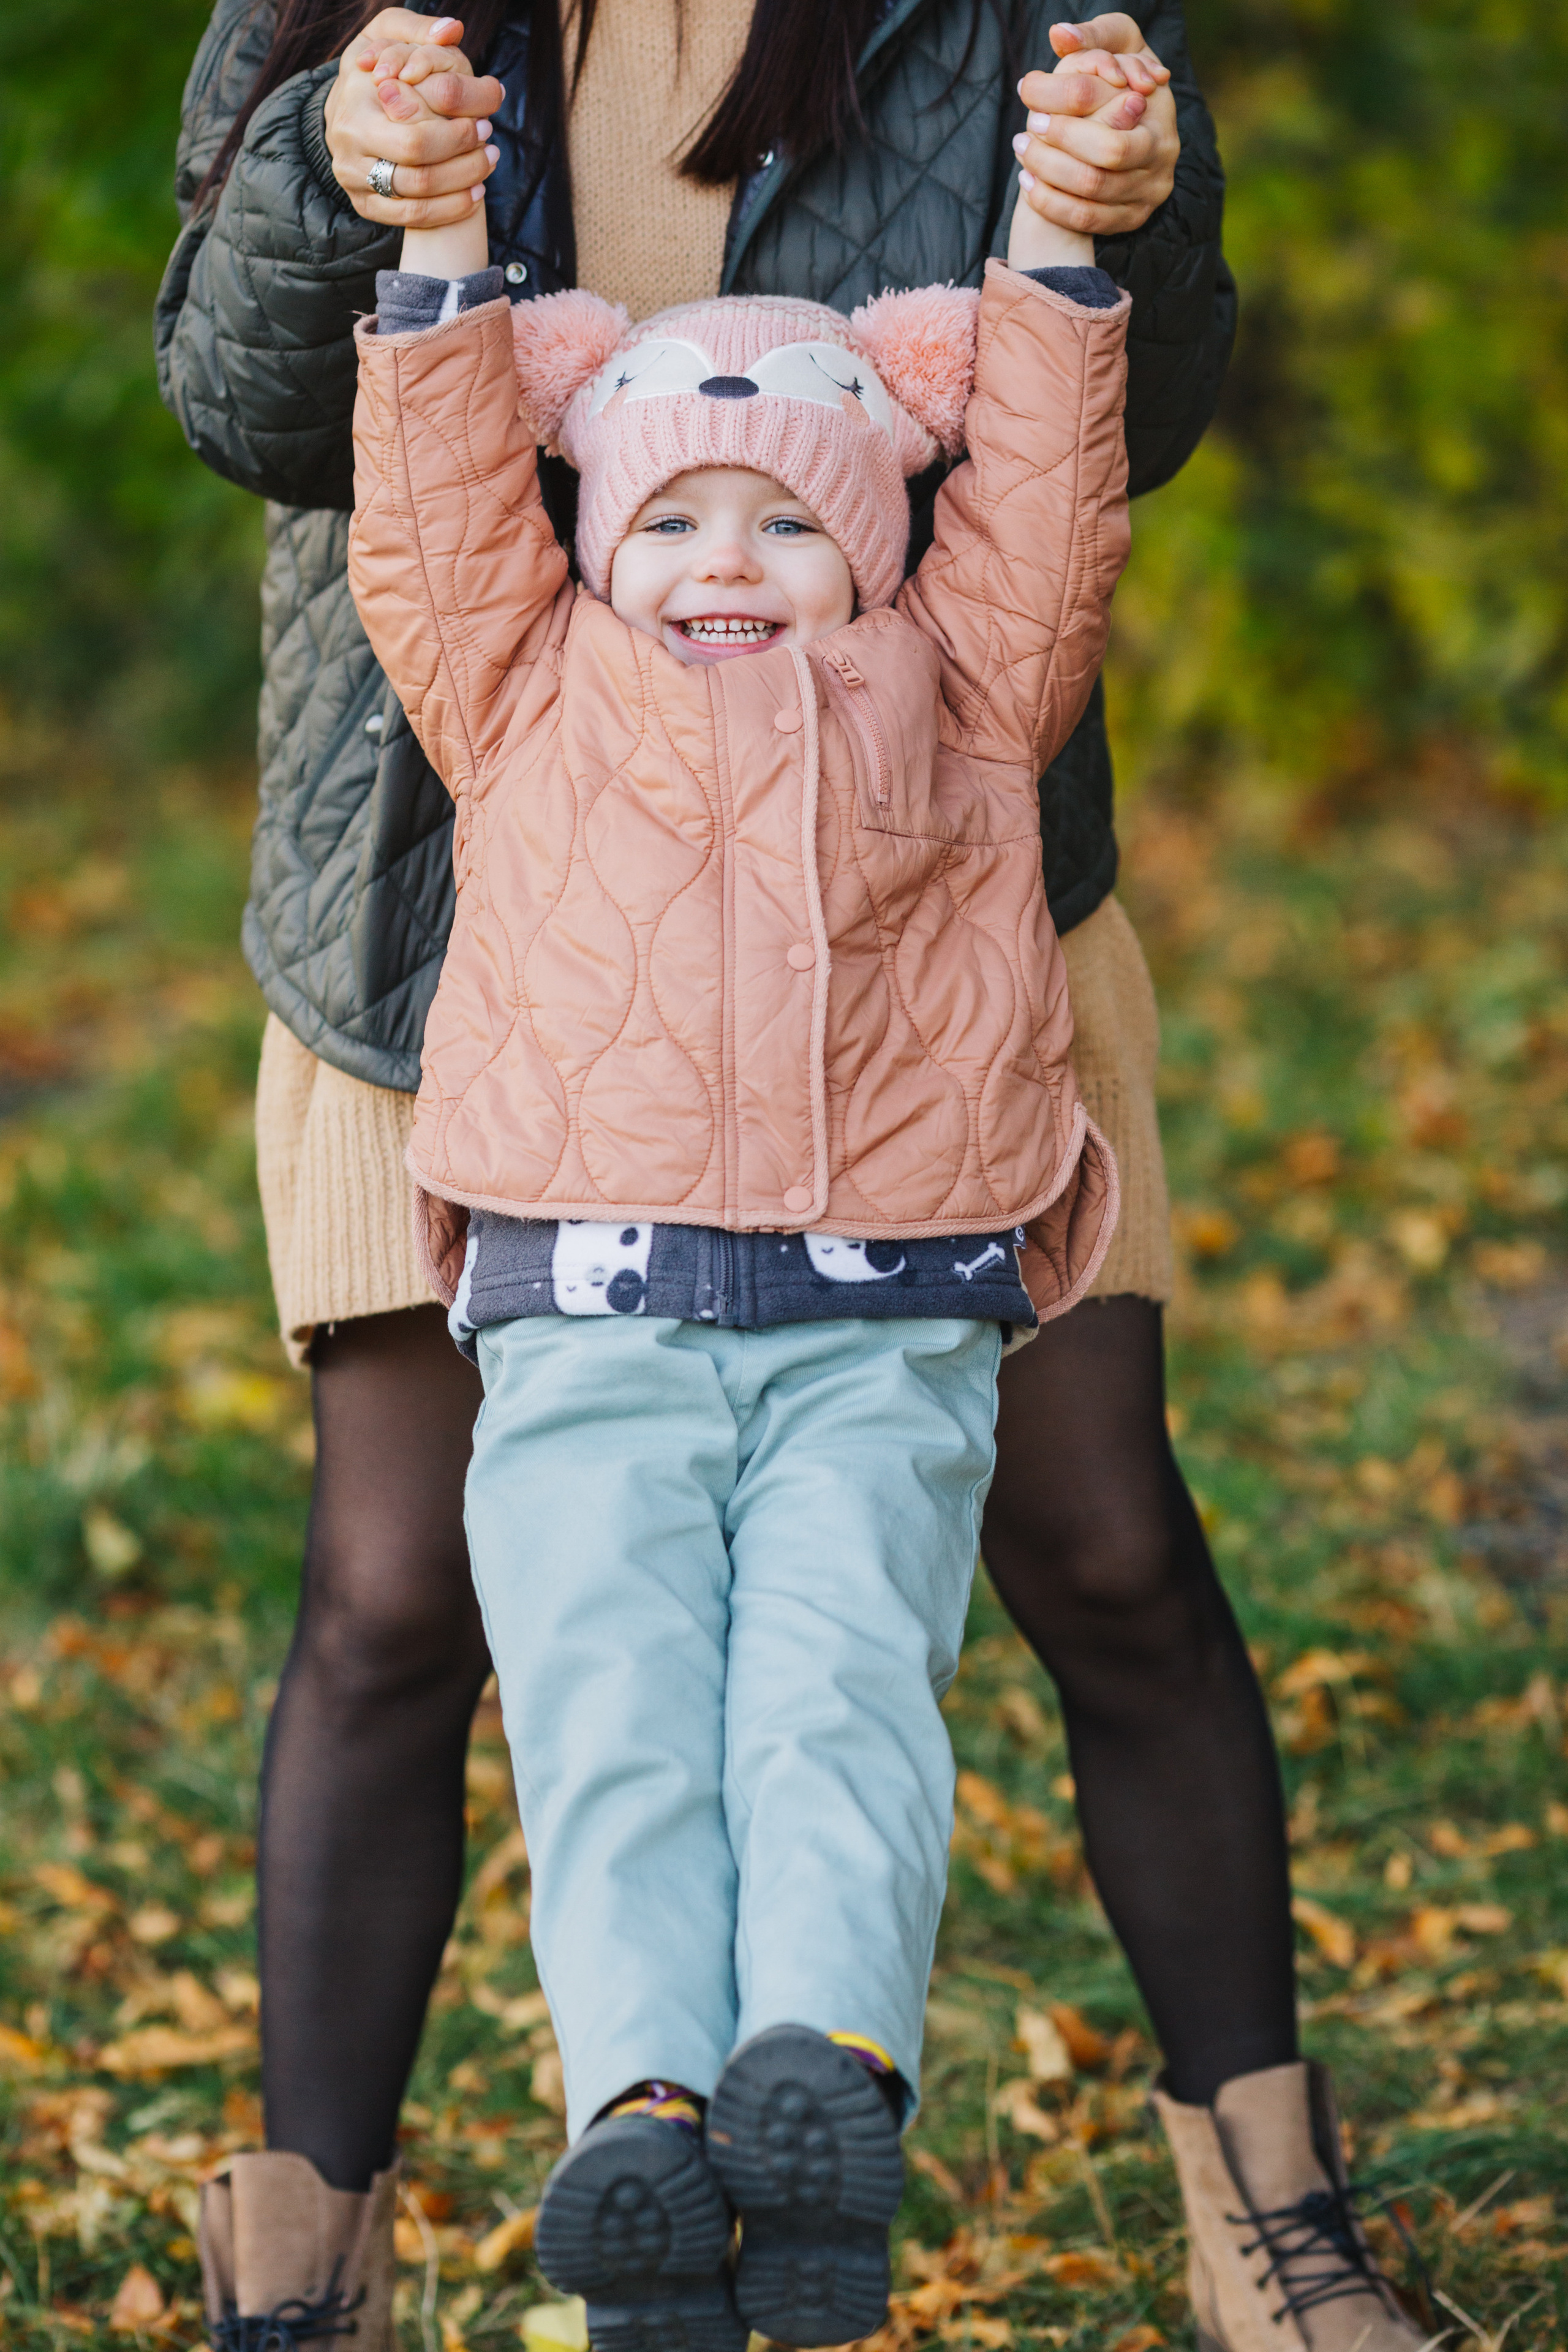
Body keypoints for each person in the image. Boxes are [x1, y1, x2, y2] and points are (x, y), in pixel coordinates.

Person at [156, 8, 1430, 2349]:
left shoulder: (998, 16)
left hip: (927, 929)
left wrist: (1115, 221)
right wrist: (359, 182)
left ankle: (1268, 2222)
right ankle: (318, 2271)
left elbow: (1117, 440)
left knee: (1095, 1549)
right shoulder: (364, 18)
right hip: (474, 918)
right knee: (409, 1598)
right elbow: (248, 406)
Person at [345, 134, 1127, 2352]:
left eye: (791, 518)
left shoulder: (962, 687)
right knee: (611, 1727)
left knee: (836, 1703)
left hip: (880, 1328)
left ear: (875, 543)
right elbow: (435, 506)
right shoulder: (520, 682)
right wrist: (436, 243)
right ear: (598, 533)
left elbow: (1051, 505)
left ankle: (822, 2078)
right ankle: (644, 2123)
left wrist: (1062, 245)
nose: (730, 559)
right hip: (586, 1319)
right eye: (675, 514)